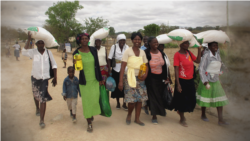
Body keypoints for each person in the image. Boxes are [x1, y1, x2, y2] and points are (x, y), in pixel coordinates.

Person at [22, 32, 57, 128]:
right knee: (35, 95)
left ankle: (42, 120)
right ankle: (37, 108)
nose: (41, 44)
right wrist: (28, 39)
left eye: (42, 42)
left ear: (44, 44)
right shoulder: (33, 52)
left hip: (44, 79)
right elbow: (24, 52)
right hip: (35, 77)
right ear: (36, 44)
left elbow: (54, 65)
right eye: (39, 43)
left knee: (43, 98)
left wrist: (55, 77)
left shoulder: (48, 53)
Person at [73, 33, 103, 133]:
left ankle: (91, 114)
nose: (85, 40)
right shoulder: (76, 52)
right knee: (86, 101)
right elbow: (76, 68)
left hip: (94, 80)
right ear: (79, 40)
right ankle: (89, 122)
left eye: (86, 38)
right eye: (82, 39)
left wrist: (100, 79)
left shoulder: (93, 50)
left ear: (88, 40)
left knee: (94, 99)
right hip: (84, 82)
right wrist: (74, 64)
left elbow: (97, 65)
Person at [118, 32, 148, 126]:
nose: (137, 41)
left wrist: (145, 75)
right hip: (129, 77)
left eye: (139, 39)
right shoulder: (128, 51)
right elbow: (123, 67)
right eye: (135, 39)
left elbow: (146, 65)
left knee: (139, 99)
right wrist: (120, 81)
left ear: (141, 41)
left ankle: (137, 119)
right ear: (132, 40)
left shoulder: (142, 52)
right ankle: (129, 115)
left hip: (140, 78)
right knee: (131, 100)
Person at [196, 42, 229, 125]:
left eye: (217, 45)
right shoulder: (206, 56)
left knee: (220, 98)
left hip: (215, 79)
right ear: (209, 46)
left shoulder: (217, 54)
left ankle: (220, 120)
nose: (216, 47)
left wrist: (224, 68)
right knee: (205, 98)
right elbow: (201, 69)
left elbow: (220, 62)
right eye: (214, 45)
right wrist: (205, 81)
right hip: (207, 80)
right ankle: (203, 114)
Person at [171, 41, 201, 127]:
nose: (187, 45)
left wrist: (199, 49)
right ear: (180, 44)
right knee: (182, 101)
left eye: (188, 43)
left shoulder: (189, 53)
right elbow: (176, 69)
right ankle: (182, 118)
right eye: (185, 43)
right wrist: (178, 84)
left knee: (192, 99)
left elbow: (198, 61)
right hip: (181, 80)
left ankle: (180, 112)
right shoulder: (177, 54)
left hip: (190, 80)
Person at [144, 37, 169, 124]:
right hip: (151, 78)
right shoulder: (146, 53)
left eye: (157, 42)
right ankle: (154, 115)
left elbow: (165, 66)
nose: (156, 44)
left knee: (159, 95)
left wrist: (167, 78)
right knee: (154, 96)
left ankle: (155, 109)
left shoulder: (161, 52)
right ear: (149, 43)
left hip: (160, 78)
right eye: (154, 42)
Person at [108, 34, 129, 110]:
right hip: (115, 68)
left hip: (125, 69)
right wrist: (109, 69)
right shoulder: (114, 47)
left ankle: (124, 103)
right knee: (116, 86)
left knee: (125, 86)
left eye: (124, 40)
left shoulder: (127, 47)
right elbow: (109, 58)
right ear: (118, 40)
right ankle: (118, 103)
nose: (122, 42)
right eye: (121, 40)